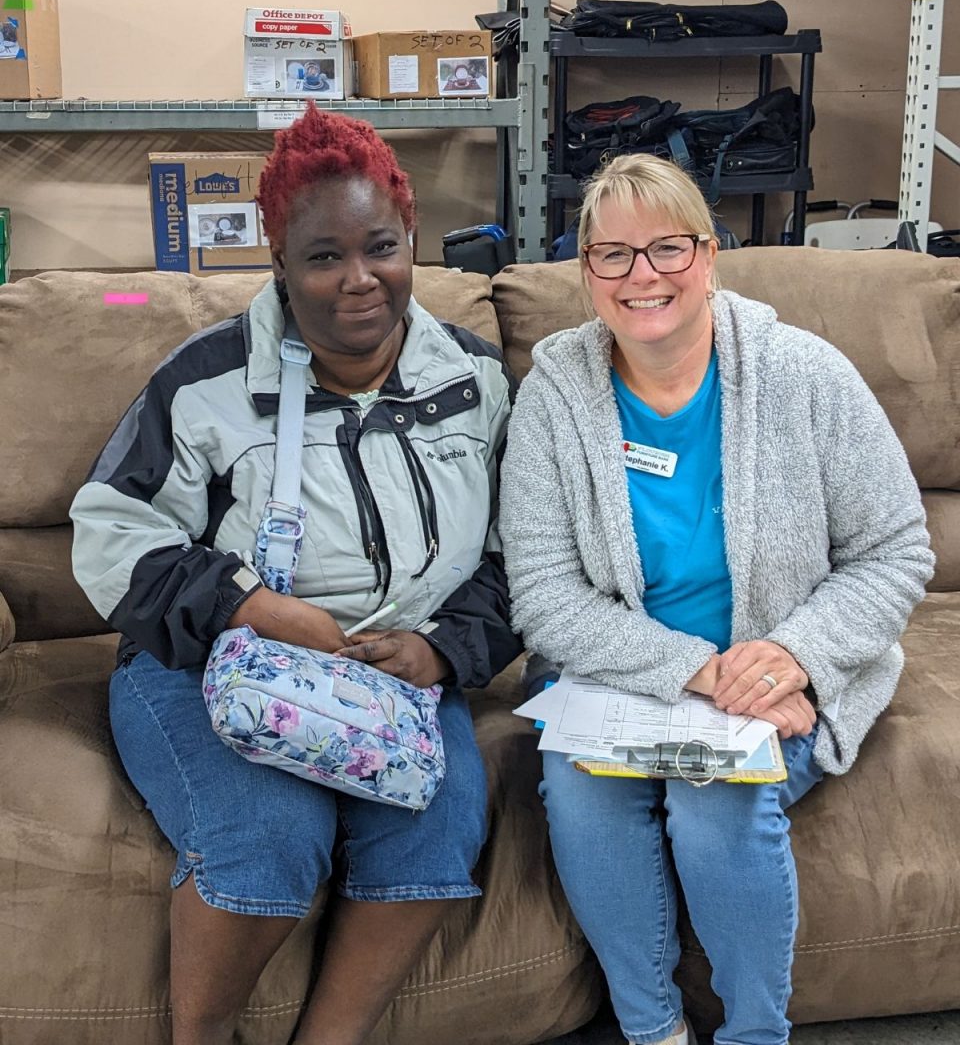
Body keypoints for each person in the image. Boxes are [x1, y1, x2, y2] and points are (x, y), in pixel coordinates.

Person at [70, 105, 520, 1045]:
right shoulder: (205, 382)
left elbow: (524, 553)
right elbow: (113, 533)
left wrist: (444, 652)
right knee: (271, 835)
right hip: (213, 663)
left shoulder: (478, 383)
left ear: (410, 246)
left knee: (437, 825)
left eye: (382, 248)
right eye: (323, 257)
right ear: (280, 264)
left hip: (399, 677)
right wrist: (257, 608)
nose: (360, 280)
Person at [498, 152, 933, 1045]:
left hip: (777, 671)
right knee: (577, 790)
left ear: (710, 255)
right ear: (586, 273)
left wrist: (794, 656)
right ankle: (651, 1030)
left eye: (667, 248)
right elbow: (542, 595)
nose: (642, 275)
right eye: (612, 255)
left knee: (715, 798)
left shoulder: (803, 374)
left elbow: (895, 549)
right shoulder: (553, 397)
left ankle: (752, 1035)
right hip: (627, 673)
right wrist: (695, 670)